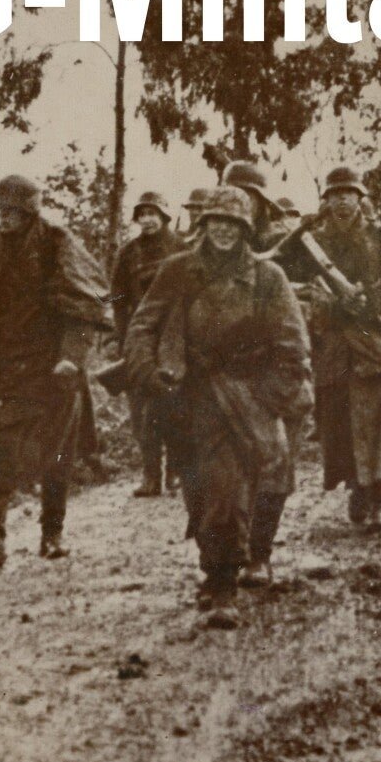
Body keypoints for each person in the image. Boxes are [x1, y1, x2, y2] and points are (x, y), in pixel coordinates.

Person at [127, 187, 311, 628]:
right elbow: (143, 325)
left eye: (233, 224)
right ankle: (215, 563)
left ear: (245, 229)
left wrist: (268, 398)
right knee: (197, 491)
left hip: (244, 396)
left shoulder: (267, 277)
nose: (223, 231)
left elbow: (293, 344)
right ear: (203, 225)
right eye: (216, 222)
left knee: (226, 488)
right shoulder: (177, 269)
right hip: (186, 395)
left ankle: (222, 582)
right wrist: (147, 372)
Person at [0, 175, 111, 567]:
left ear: (30, 211)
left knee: (57, 454)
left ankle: (52, 533)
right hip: (9, 364)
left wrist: (71, 357)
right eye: (1, 208)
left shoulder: (57, 243)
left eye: (13, 210)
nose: (5, 217)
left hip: (56, 365)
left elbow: (84, 305)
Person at [285, 167, 381, 530]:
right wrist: (329, 306)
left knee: (379, 429)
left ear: (361, 198)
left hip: (378, 347)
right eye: (335, 195)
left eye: (348, 194)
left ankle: (380, 498)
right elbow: (298, 287)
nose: (342, 201)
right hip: (333, 350)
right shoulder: (314, 242)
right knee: (341, 428)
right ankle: (357, 489)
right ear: (326, 201)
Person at [218, 160, 301, 584]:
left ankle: (258, 552)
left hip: (275, 369)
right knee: (220, 472)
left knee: (273, 464)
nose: (239, 204)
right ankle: (225, 556)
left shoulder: (289, 243)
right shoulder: (205, 242)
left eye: (248, 197)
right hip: (218, 378)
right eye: (232, 194)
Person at [107, 191, 183, 498]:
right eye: (142, 214)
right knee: (141, 409)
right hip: (140, 336)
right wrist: (122, 337)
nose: (147, 220)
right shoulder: (128, 253)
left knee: (176, 403)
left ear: (164, 216)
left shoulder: (181, 247)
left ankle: (175, 470)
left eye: (153, 213)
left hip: (175, 335)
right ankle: (151, 475)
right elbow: (116, 297)